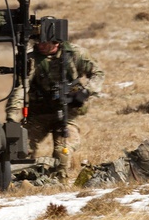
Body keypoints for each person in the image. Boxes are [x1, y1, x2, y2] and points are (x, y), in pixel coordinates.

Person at [6, 26, 104, 181]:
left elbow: (98, 73)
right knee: (21, 146)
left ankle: (59, 180)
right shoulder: (31, 60)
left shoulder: (76, 54)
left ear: (56, 41)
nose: (40, 45)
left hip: (68, 113)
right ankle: (22, 178)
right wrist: (11, 116)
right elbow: (21, 88)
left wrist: (85, 92)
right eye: (37, 42)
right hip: (39, 113)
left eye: (44, 42)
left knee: (62, 150)